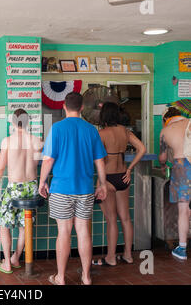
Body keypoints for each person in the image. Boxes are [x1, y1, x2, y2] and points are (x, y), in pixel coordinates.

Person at [39, 92, 108, 286]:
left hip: (61, 188)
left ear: (63, 105)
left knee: (64, 232)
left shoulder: (57, 128)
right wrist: (102, 184)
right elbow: (100, 161)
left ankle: (60, 277)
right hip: (85, 189)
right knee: (83, 232)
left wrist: (42, 181)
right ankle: (86, 277)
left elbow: (49, 159)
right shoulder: (91, 130)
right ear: (82, 108)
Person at [0, 109, 43, 274]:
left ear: (12, 122)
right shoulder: (37, 141)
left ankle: (7, 264)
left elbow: (0, 168)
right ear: (28, 122)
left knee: (5, 226)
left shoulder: (8, 141)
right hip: (32, 187)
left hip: (14, 189)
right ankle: (16, 257)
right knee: (25, 226)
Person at [92, 102, 146, 267]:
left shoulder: (101, 133)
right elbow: (142, 149)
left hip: (107, 179)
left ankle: (110, 257)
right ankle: (128, 255)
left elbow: (94, 157)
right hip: (123, 177)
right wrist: (130, 168)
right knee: (126, 218)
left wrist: (101, 181)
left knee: (111, 219)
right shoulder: (125, 132)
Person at [159, 107, 190, 261]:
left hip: (181, 167)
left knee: (183, 209)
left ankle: (182, 248)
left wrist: (163, 166)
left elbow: (163, 158)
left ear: (166, 120)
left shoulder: (165, 132)